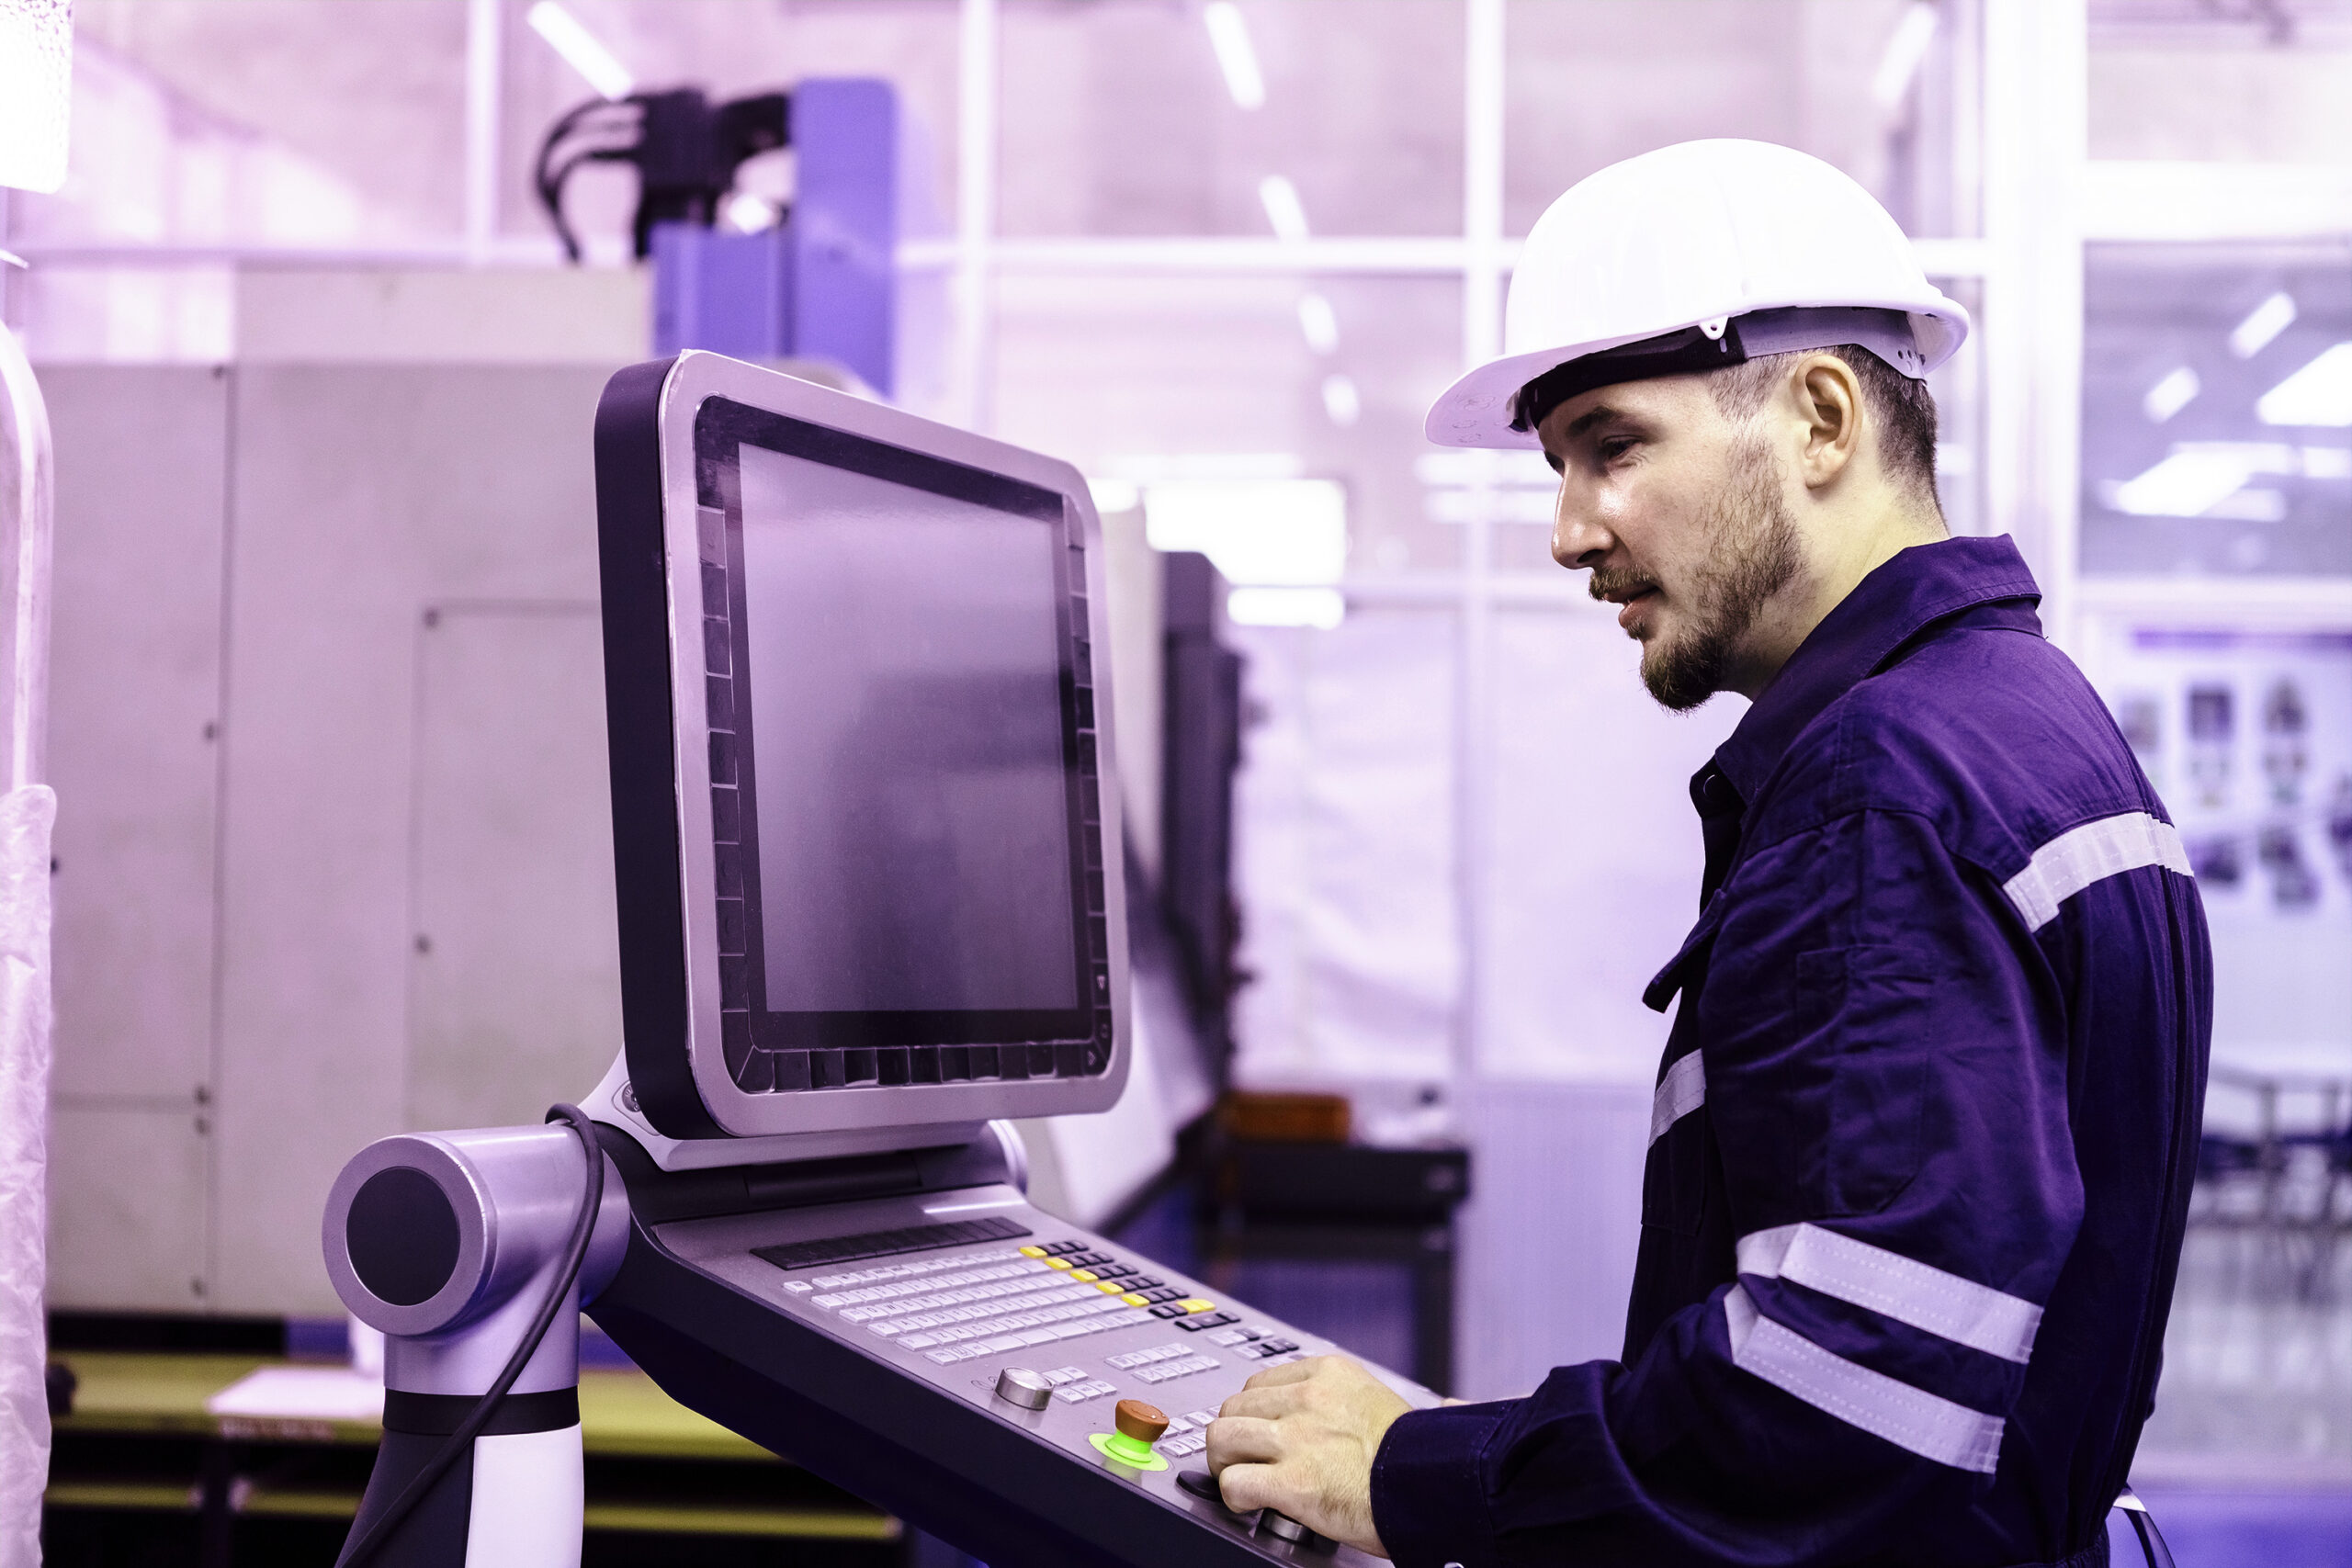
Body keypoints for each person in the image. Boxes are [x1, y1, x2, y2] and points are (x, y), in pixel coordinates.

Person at [1202, 140, 2211, 1568]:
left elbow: (1849, 1398)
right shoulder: (2032, 723)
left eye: (1613, 447)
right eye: (1559, 467)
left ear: (1816, 417)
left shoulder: (1886, 781)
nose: (1568, 533)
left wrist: (1418, 1474)